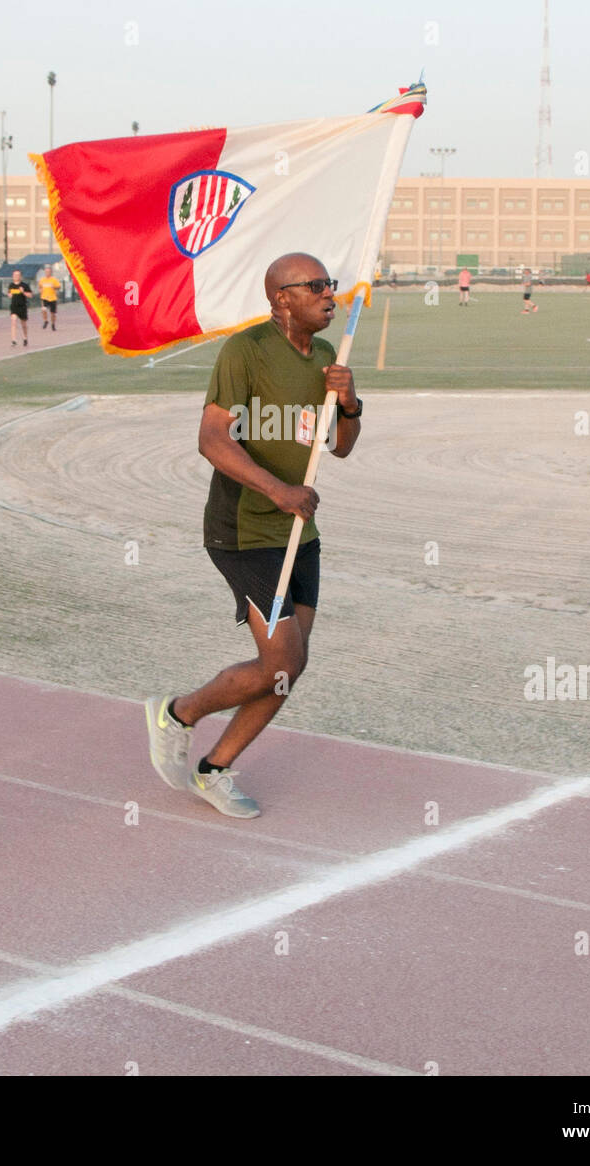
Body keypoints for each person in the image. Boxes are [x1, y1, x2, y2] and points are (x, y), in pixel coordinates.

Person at [144, 253, 362, 819]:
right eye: (315, 286)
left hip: (298, 530)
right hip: (244, 528)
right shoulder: (244, 351)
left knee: (291, 668)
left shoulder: (328, 356)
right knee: (277, 664)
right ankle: (178, 712)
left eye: (329, 284)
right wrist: (277, 490)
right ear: (281, 298)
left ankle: (214, 770)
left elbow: (339, 445)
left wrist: (350, 403)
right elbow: (212, 439)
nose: (329, 294)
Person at [8, 269, 32, 345]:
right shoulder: (11, 285)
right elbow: (9, 293)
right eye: (14, 275)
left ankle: (25, 338)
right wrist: (9, 295)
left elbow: (30, 295)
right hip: (14, 306)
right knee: (13, 321)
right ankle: (14, 340)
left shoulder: (24, 285)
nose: (16, 276)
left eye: (18, 275)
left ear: (20, 276)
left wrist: (23, 292)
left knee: (23, 324)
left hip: (22, 307)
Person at [38, 265, 62, 331]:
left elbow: (59, 287)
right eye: (46, 272)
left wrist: (54, 287)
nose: (47, 273)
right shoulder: (42, 280)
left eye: (48, 272)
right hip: (44, 297)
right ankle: (45, 321)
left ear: (51, 272)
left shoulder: (54, 280)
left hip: (52, 298)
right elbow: (40, 287)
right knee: (43, 309)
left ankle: (53, 324)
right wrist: (40, 290)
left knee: (53, 313)